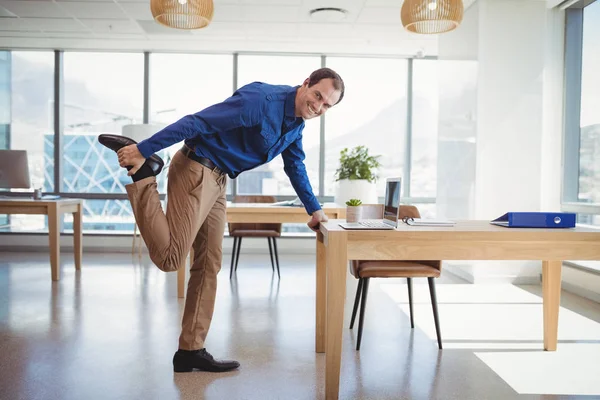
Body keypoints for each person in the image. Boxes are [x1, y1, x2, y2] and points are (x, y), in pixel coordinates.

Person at [98, 67, 344, 373]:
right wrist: (144, 149)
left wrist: (315, 210)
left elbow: (295, 165)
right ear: (306, 83)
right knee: (171, 258)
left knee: (209, 263)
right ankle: (144, 174)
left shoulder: (295, 126)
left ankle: (191, 349)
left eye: (326, 106)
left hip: (218, 181)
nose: (318, 107)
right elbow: (196, 122)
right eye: (317, 96)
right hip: (196, 169)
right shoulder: (260, 100)